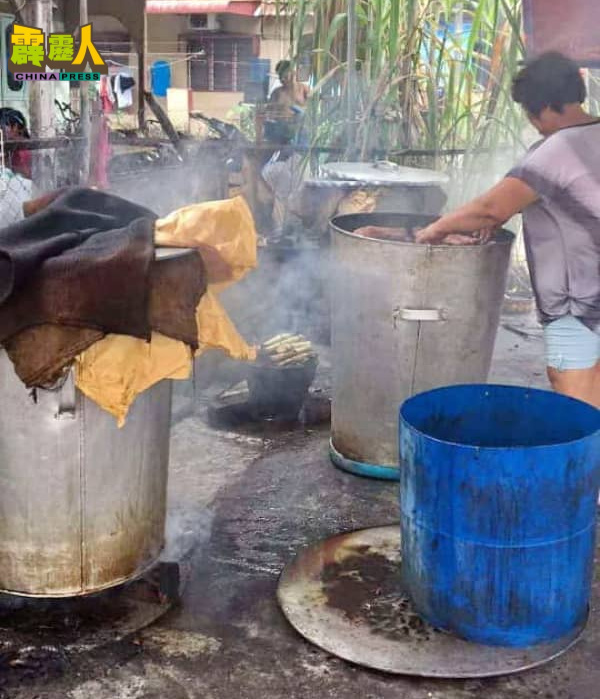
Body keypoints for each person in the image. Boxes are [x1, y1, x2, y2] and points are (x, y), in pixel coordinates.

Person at [360, 52, 600, 408]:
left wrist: (434, 231)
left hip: (577, 301)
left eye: (530, 112)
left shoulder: (557, 149)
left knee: (573, 388)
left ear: (546, 105)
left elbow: (490, 209)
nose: (532, 122)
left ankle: (585, 463)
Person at [264, 60, 310, 146]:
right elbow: (268, 114)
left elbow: (312, 112)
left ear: (293, 72)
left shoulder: (304, 90)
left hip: (300, 133)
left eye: (284, 75)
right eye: (279, 76)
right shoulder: (277, 92)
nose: (282, 79)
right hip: (281, 134)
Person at [0, 108, 32, 180]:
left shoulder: (21, 149)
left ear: (15, 126)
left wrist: (6, 164)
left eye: (2, 127)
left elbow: (26, 173)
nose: (1, 131)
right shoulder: (11, 146)